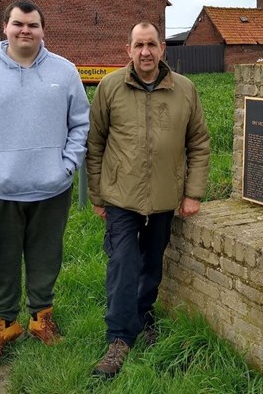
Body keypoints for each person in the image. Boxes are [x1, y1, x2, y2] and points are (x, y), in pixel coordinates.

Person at [0, 0, 90, 373]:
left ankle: (40, 320)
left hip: (51, 189)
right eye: (18, 24)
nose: (25, 30)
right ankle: (3, 327)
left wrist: (67, 165)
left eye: (32, 25)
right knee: (0, 262)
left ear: (43, 30)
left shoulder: (65, 71)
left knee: (46, 260)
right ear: (5, 27)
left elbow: (80, 123)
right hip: (0, 191)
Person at [86, 21, 210, 378]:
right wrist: (97, 195)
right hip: (120, 197)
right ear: (128, 49)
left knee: (152, 263)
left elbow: (199, 143)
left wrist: (192, 193)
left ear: (162, 49)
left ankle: (143, 316)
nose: (145, 52)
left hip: (165, 197)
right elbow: (95, 145)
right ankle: (119, 339)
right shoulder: (110, 87)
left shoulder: (185, 90)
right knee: (123, 263)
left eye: (151, 44)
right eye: (138, 45)